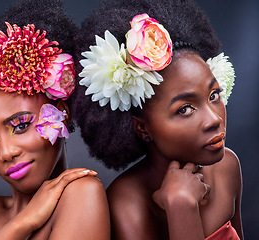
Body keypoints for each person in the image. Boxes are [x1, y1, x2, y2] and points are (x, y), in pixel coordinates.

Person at [71, 0, 243, 239]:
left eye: (214, 95)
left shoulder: (227, 167)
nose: (214, 119)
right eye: (185, 109)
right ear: (142, 128)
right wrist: (181, 207)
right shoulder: (127, 204)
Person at [0, 0, 110, 239]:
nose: (6, 153)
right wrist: (24, 223)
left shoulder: (82, 194)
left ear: (62, 112)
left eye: (20, 126)